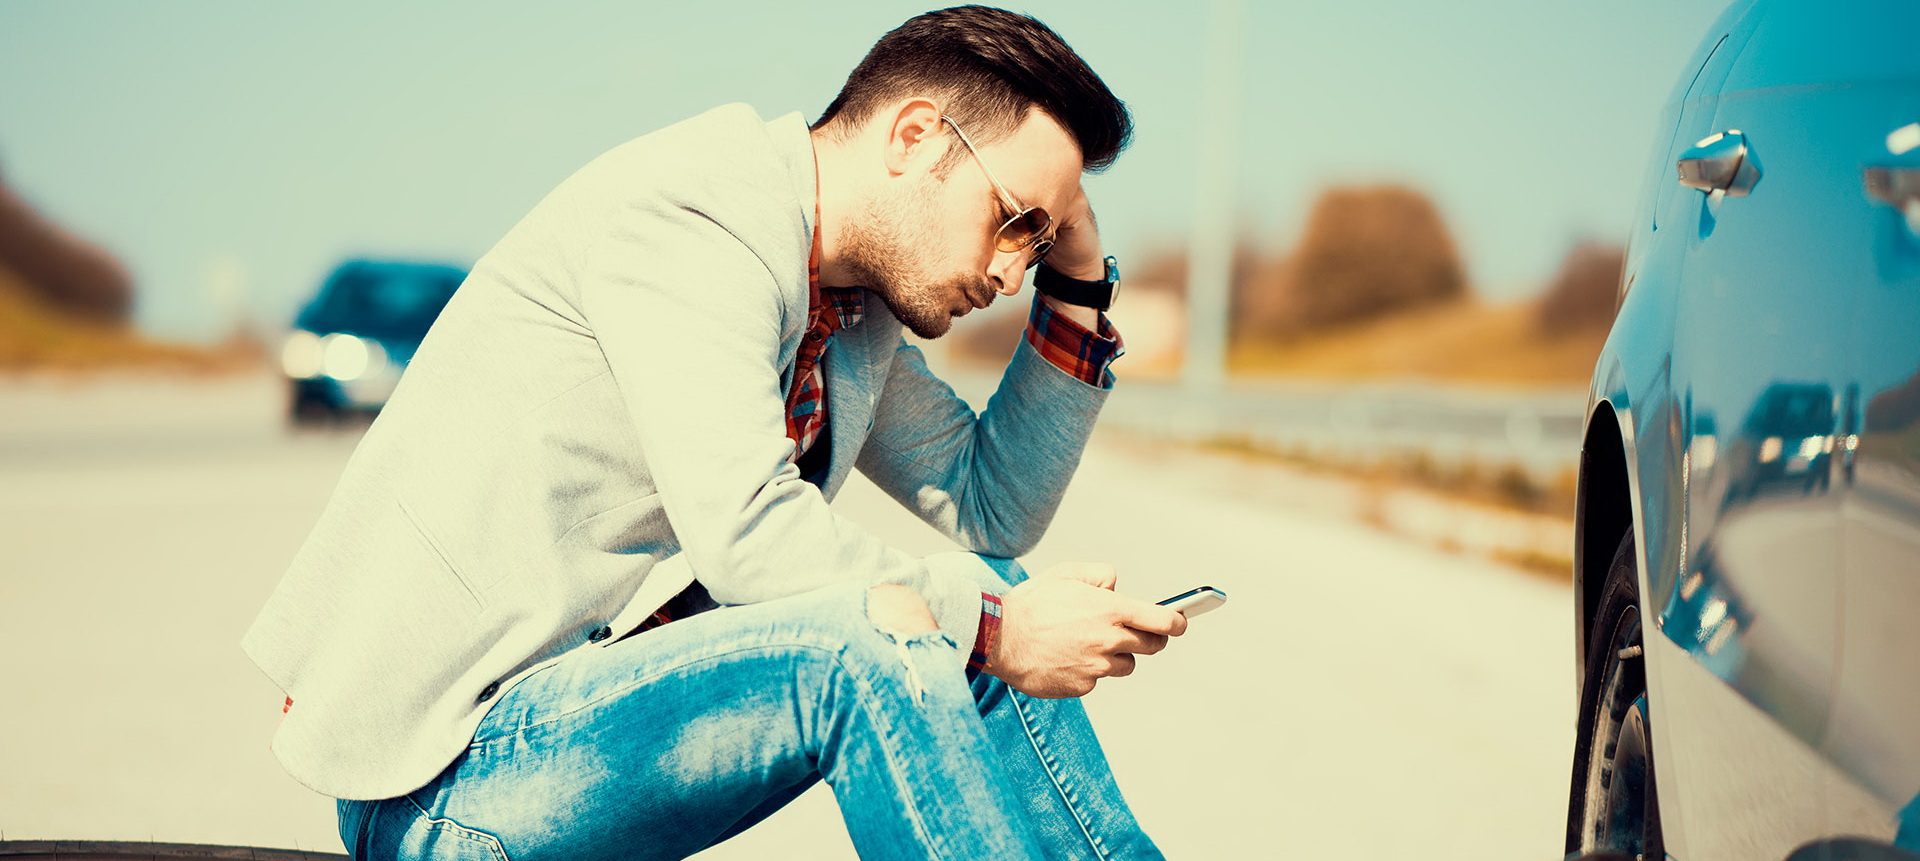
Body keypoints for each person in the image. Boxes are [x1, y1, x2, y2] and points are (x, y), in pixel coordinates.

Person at [242, 6, 1188, 859]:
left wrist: (1077, 276)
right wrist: (998, 628)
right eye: (1015, 222)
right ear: (914, 137)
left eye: (1038, 242)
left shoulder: (853, 310)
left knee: (983, 596)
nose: (1013, 271)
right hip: (446, 777)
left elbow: (992, 507)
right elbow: (750, 538)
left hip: (586, 720)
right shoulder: (693, 219)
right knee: (879, 640)